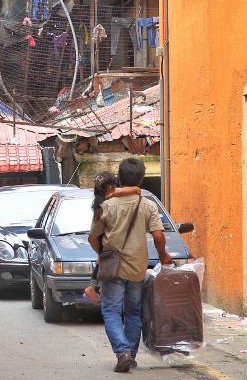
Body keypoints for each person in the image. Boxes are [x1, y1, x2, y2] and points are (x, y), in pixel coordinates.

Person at [89, 158, 173, 373]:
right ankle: (131, 355)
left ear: (118, 178)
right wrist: (163, 255)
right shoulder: (147, 205)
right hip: (137, 267)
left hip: (113, 268)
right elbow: (158, 236)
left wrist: (102, 254)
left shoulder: (106, 205)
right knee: (134, 312)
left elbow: (93, 238)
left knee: (111, 311)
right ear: (142, 179)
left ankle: (123, 353)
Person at [83, 171, 118, 303]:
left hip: (102, 242)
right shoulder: (110, 205)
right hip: (108, 243)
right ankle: (93, 287)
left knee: (102, 262)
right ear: (110, 187)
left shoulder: (99, 204)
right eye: (115, 186)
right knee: (104, 263)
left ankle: (93, 287)